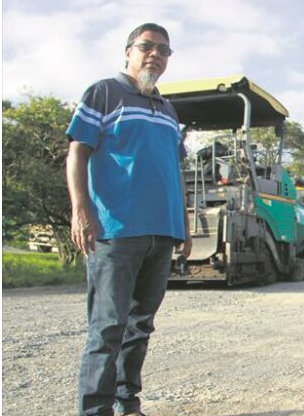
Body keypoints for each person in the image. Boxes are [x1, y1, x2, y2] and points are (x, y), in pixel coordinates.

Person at [66, 23, 192, 416]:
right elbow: (78, 152)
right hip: (116, 230)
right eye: (147, 46)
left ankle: (127, 404)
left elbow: (173, 171)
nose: (155, 54)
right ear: (128, 52)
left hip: (162, 232)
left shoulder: (168, 110)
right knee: (107, 328)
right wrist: (81, 209)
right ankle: (95, 410)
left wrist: (184, 225)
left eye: (164, 50)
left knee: (140, 326)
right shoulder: (104, 93)